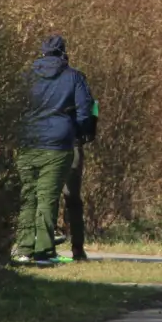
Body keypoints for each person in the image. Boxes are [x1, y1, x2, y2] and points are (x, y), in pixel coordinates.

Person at [17, 35, 95, 266]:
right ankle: (43, 251)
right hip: (59, 143)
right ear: (63, 52)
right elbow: (85, 111)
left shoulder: (25, 77)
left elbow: (14, 107)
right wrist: (78, 133)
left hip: (27, 140)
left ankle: (23, 248)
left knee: (28, 195)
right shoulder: (74, 77)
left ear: (42, 53)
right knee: (47, 197)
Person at [60, 97, 98, 262]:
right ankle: (77, 248)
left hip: (47, 142)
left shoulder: (39, 77)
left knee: (49, 196)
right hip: (73, 141)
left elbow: (93, 107)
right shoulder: (77, 80)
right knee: (72, 198)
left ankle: (45, 247)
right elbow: (93, 107)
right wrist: (88, 133)